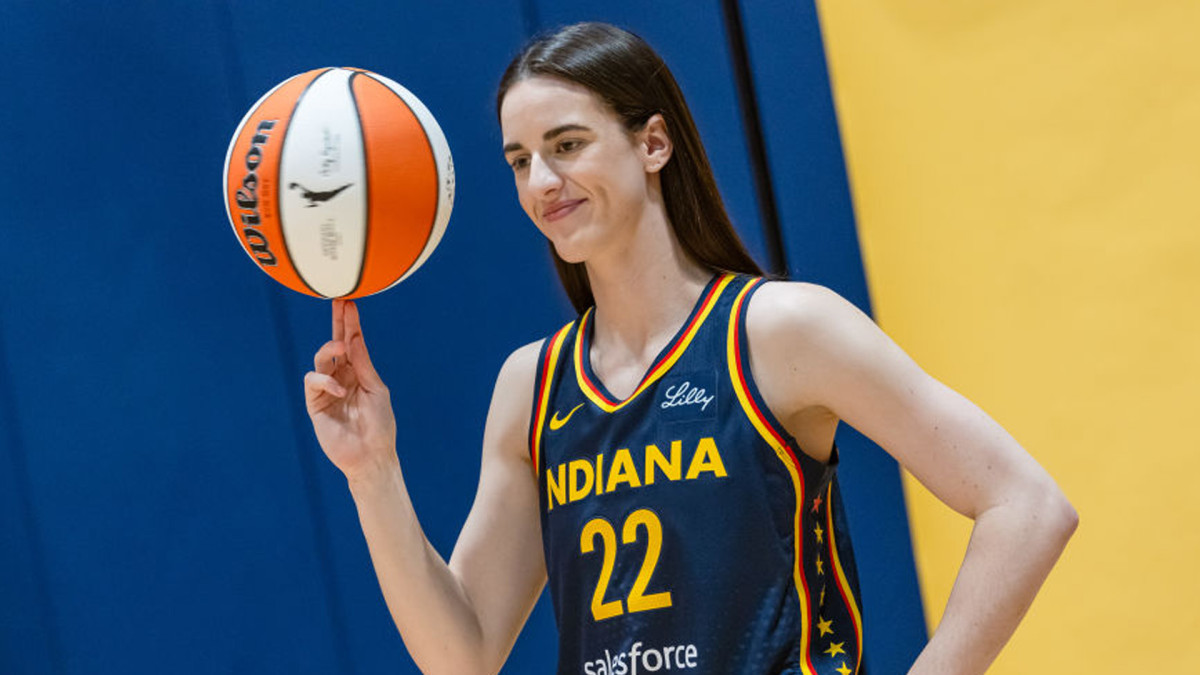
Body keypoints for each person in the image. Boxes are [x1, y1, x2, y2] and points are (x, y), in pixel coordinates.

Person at [303, 22, 1077, 675]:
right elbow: (463, 653)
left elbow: (1028, 505)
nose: (541, 180)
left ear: (654, 144)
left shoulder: (778, 331)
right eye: (519, 160)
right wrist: (373, 474)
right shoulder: (532, 384)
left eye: (566, 144)